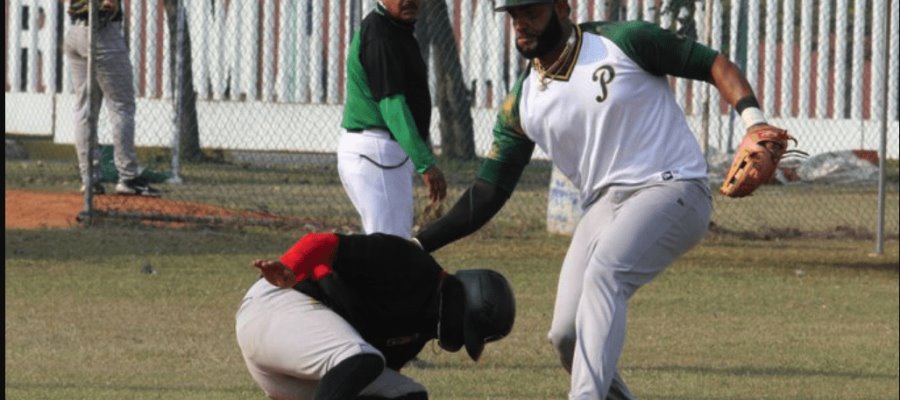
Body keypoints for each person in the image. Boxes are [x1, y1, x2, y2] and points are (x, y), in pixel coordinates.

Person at [414, 0, 787, 398]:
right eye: (513, 15)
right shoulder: (521, 102)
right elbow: (489, 191)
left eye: (530, 11)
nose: (520, 23)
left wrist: (754, 121)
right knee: (567, 335)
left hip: (673, 186)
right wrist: (420, 243)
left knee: (606, 273)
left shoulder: (623, 41)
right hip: (604, 206)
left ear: (562, 8)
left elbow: (713, 64)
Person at [235, 232, 515, 400]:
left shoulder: (419, 331)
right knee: (362, 359)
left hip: (300, 365)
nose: (455, 342)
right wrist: (290, 267)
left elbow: (350, 384)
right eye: (465, 329)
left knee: (407, 394)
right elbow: (320, 242)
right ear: (462, 304)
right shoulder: (408, 263)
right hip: (279, 302)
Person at [338, 0, 446, 239]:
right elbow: (392, 105)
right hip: (377, 151)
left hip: (378, 152)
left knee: (386, 244)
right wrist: (425, 163)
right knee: (391, 246)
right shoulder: (381, 35)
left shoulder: (393, 28)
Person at [64, 0, 160, 196]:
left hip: (74, 31)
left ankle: (89, 178)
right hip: (102, 32)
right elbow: (108, 5)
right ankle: (128, 177)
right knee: (121, 106)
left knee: (84, 107)